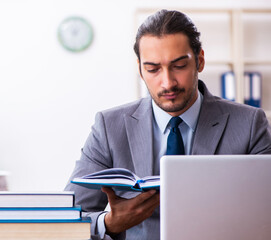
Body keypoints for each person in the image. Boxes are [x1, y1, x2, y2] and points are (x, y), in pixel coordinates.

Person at [65, 9, 271, 240]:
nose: (167, 82)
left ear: (200, 60)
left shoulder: (250, 124)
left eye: (179, 66)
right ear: (141, 71)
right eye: (153, 69)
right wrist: (110, 223)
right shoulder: (109, 128)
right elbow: (66, 217)